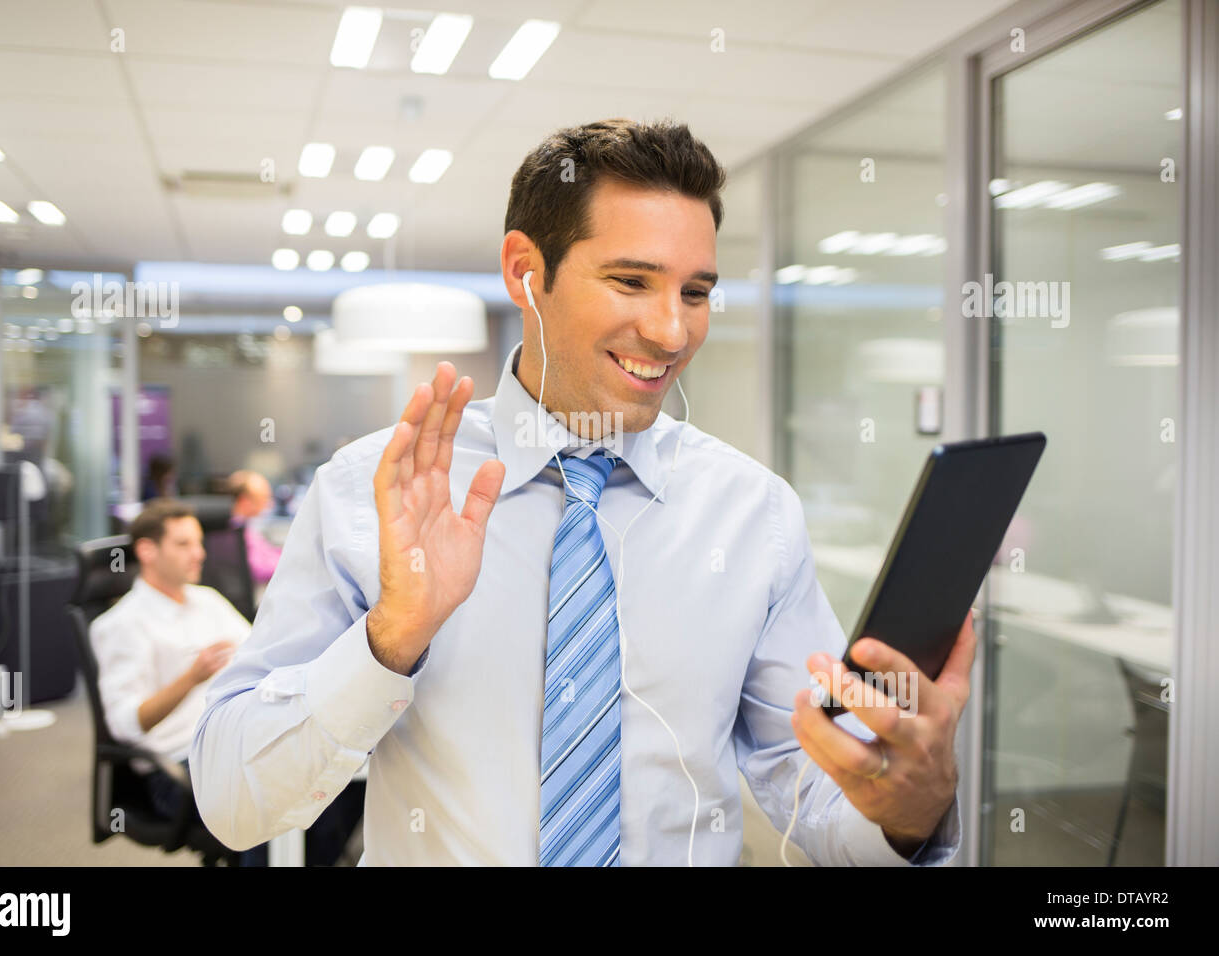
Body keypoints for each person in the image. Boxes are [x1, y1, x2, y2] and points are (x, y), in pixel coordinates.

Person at [192, 118, 972, 866]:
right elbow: (234, 803)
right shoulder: (374, 492)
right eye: (632, 281)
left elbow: (811, 793)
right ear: (525, 271)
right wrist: (391, 637)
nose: (671, 332)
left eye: (696, 293)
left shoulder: (753, 513)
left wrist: (908, 808)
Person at [91, 499, 360, 865]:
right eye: (184, 544)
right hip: (178, 767)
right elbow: (124, 726)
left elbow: (264, 658)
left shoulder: (207, 601)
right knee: (278, 798)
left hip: (237, 737)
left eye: (199, 543)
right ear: (147, 551)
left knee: (344, 775)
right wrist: (191, 678)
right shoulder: (122, 624)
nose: (199, 554)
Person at [226, 469, 284, 584]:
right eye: (264, 498)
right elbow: (258, 569)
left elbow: (268, 553)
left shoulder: (246, 528)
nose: (269, 504)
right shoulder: (234, 533)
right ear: (244, 500)